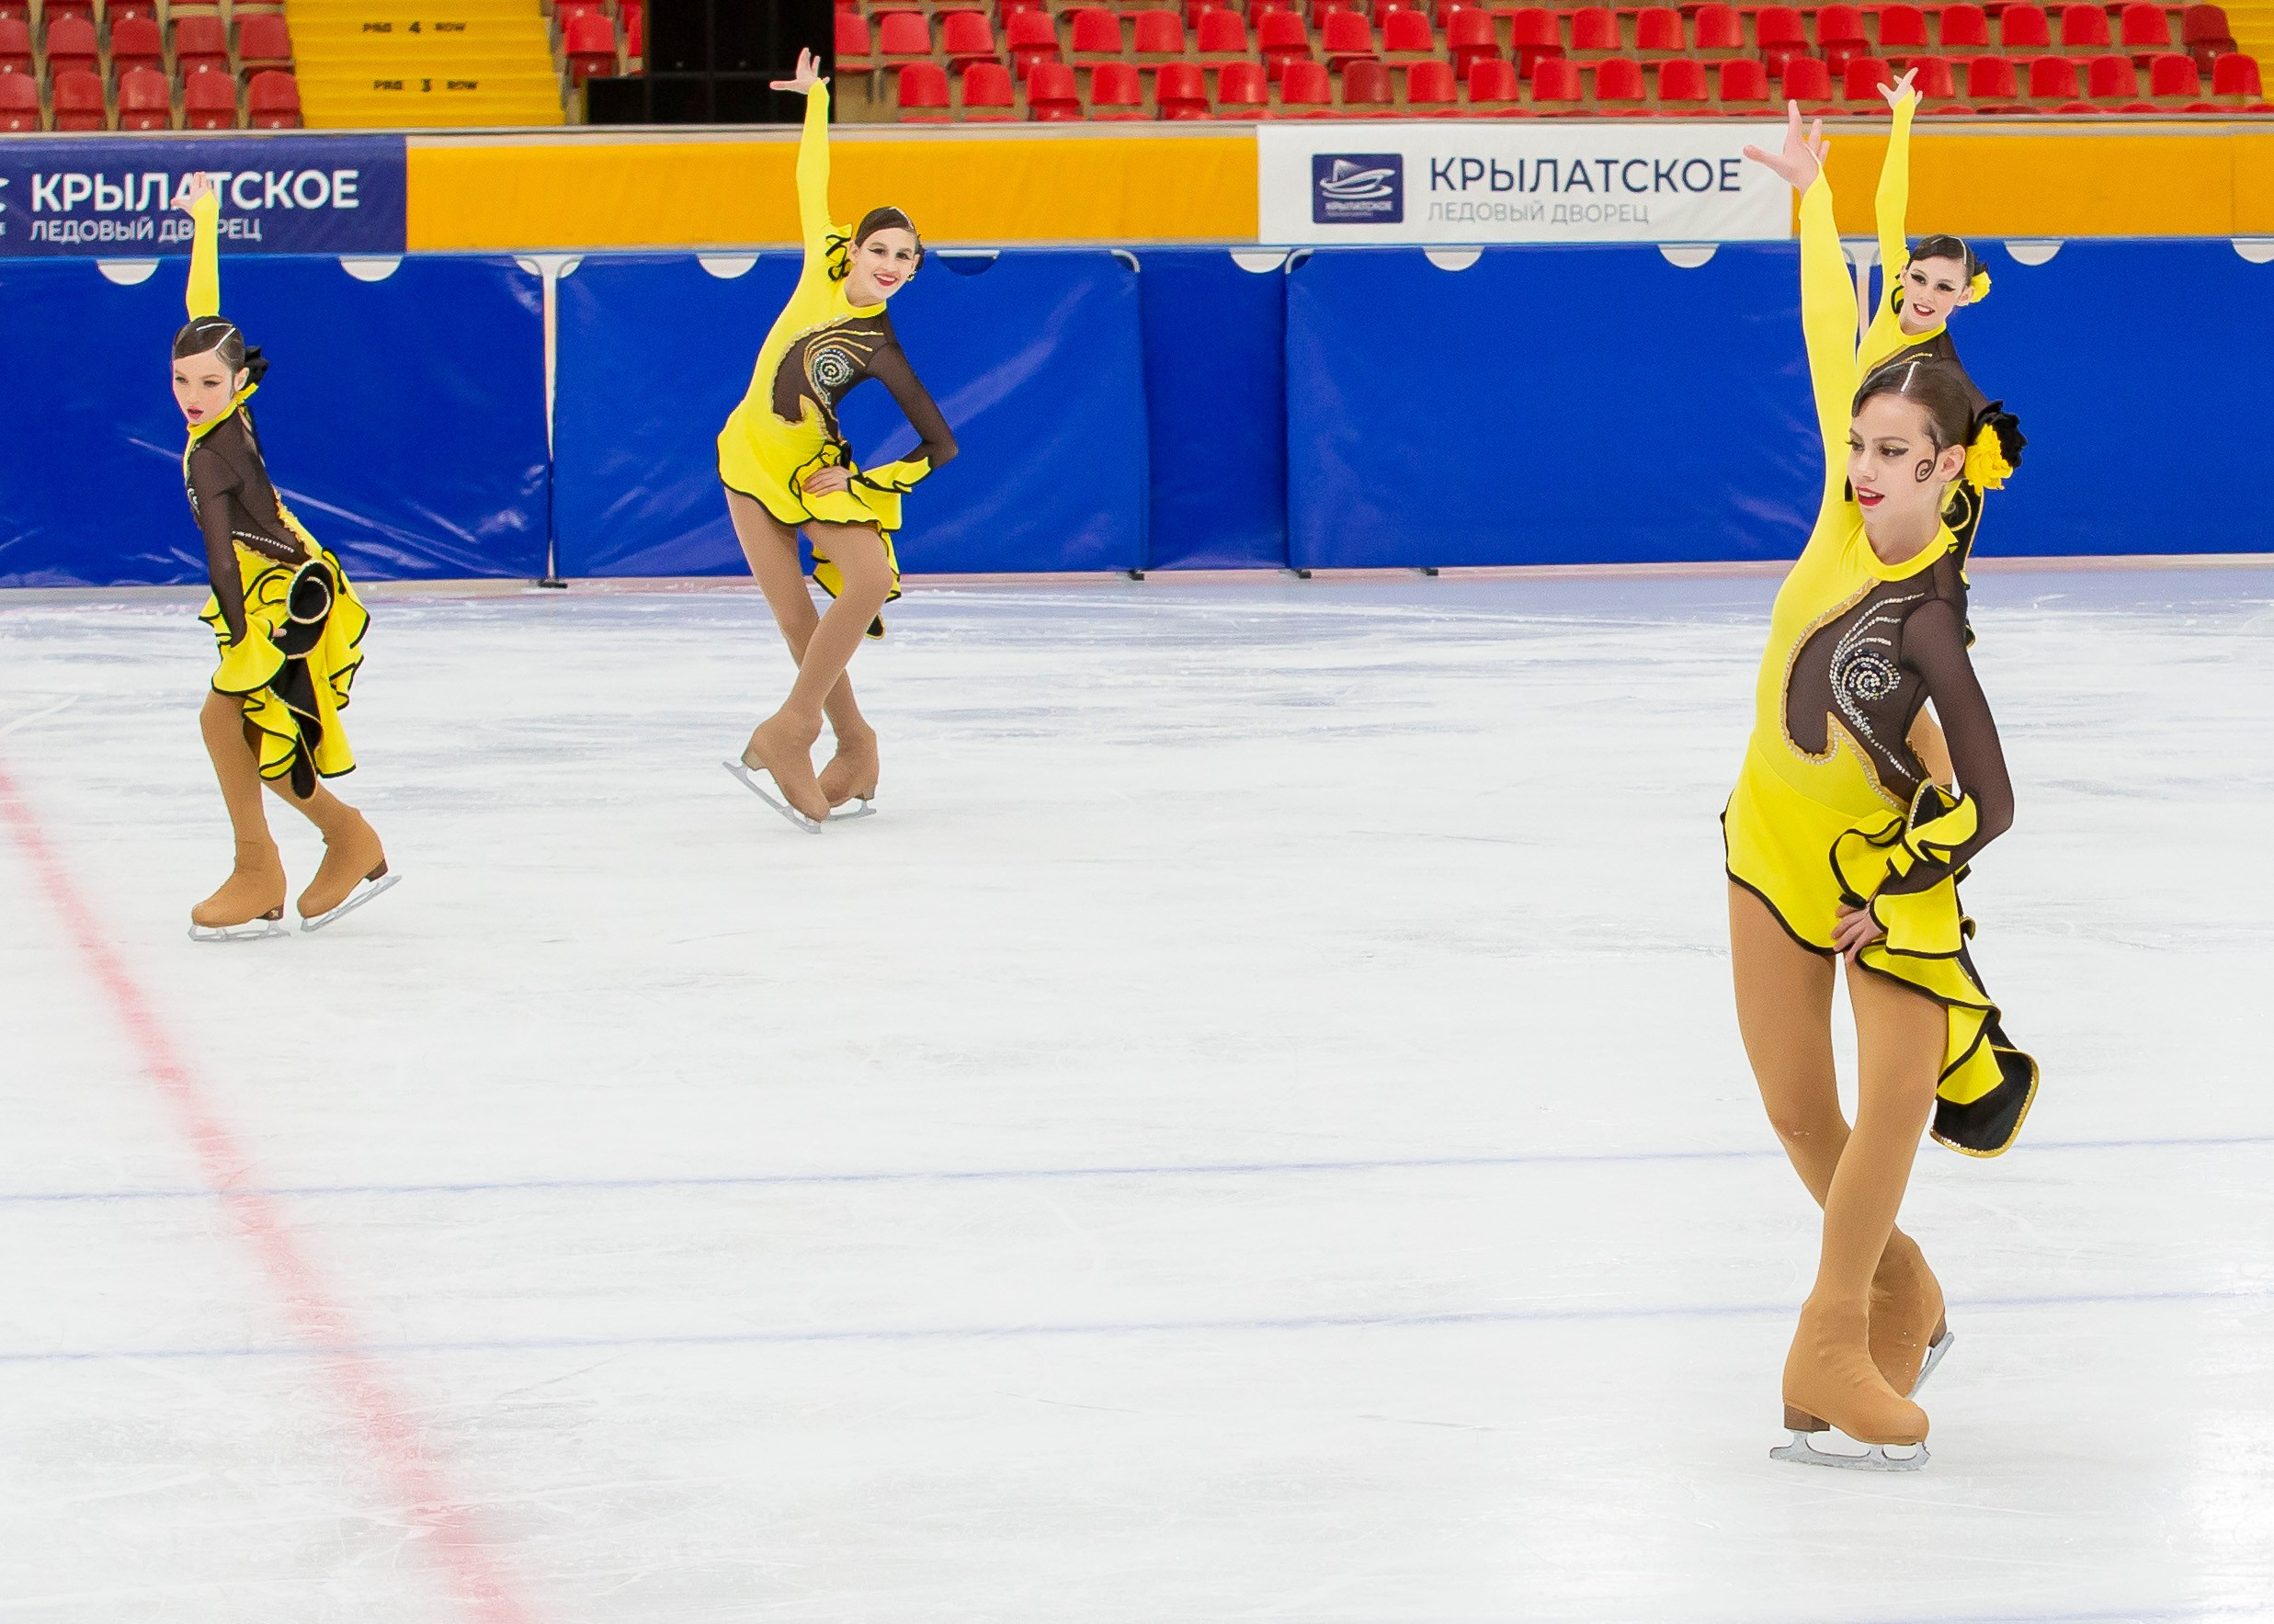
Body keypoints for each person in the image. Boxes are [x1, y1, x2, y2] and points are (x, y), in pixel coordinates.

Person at [1726, 108, 2039, 1471]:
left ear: (1941, 468)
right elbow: (1821, 319)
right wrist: (1818, 193)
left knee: (1895, 1097)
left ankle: (1831, 1338)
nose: (1856, 468)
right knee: (1799, 1107)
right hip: (1761, 845)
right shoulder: (1833, 517)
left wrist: (1900, 880)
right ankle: (1901, 1289)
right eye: (1851, 445)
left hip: (1877, 873)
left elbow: (1988, 794)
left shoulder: (1927, 607)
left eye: (1886, 453)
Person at [716, 47, 957, 830]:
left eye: (905, 259)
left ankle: (792, 728)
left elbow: (938, 445)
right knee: (795, 616)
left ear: (915, 272)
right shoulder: (820, 264)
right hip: (748, 455)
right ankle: (854, 744)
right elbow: (808, 177)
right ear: (855, 248)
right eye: (880, 249)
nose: (889, 264)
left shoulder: (881, 345)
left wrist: (858, 485)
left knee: (864, 576)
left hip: (815, 470)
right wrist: (818, 100)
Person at [174, 174, 394, 941]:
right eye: (181, 380)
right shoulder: (225, 416)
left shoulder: (213, 450)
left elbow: (222, 558)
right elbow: (203, 310)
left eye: (207, 382)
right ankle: (306, 849)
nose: (191, 394)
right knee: (245, 728)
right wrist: (206, 221)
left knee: (241, 720)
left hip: (285, 593)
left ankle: (291, 854)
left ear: (238, 382)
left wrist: (239, 636)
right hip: (289, 580)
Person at [1855, 72, 2025, 570]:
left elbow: (1968, 398)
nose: (1927, 295)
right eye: (1922, 279)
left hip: (1915, 485)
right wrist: (1902, 119)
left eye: (1945, 288)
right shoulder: (1894, 287)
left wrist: (1991, 430)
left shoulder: (1939, 359)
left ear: (1965, 298)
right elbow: (1889, 206)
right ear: (1906, 271)